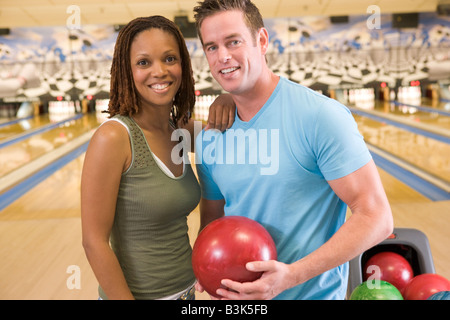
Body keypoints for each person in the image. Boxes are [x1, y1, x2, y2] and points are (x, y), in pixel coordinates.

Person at [193, 0, 393, 300]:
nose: (222, 56)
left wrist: (290, 277)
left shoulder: (320, 117)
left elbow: (377, 218)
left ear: (262, 41)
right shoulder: (211, 137)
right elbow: (212, 221)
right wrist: (206, 267)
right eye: (211, 47)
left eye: (233, 42)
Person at [80, 15, 235, 300]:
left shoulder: (179, 131)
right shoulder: (114, 139)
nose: (159, 71)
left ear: (183, 66)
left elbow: (233, 134)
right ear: (126, 71)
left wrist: (230, 98)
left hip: (188, 293)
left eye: (169, 59)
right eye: (143, 62)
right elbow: (93, 242)